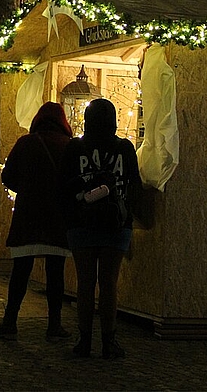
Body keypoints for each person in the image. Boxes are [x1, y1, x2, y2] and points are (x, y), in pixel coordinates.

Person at [60, 98, 142, 359]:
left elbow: (63, 185)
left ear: (87, 120)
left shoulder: (75, 147)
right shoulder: (125, 148)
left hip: (81, 222)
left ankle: (84, 341)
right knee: (109, 284)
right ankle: (109, 342)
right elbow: (134, 184)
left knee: (85, 283)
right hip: (115, 224)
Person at [0, 102, 73, 342]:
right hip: (57, 217)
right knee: (55, 272)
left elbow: (8, 177)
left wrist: (26, 190)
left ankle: (10, 321)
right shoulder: (68, 146)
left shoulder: (26, 143)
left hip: (28, 215)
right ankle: (54, 324)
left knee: (20, 271)